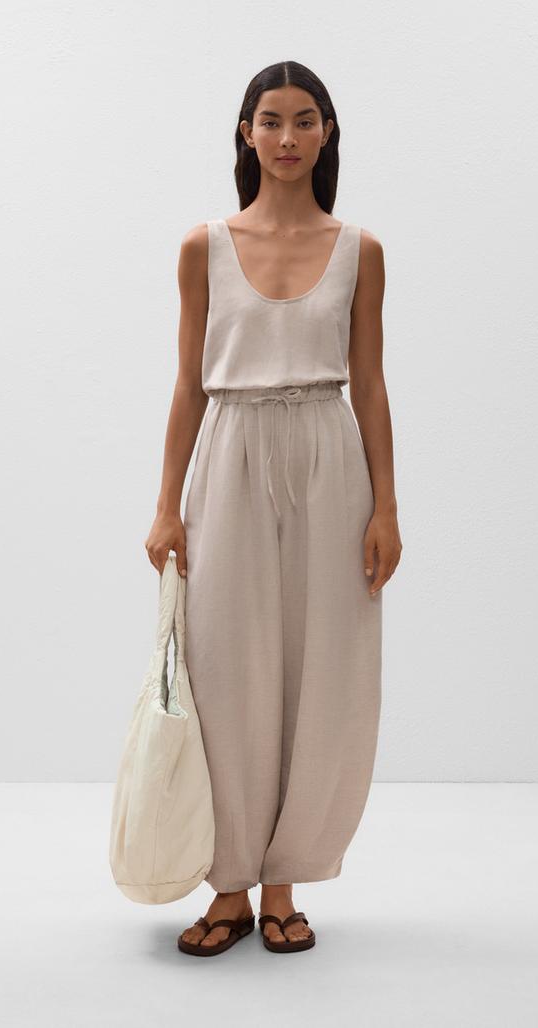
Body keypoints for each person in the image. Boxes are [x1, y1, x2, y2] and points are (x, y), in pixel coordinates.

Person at [145, 60, 402, 955]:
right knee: (225, 667)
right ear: (246, 133)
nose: (287, 138)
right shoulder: (204, 247)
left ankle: (285, 880)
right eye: (271, 121)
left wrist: (386, 509)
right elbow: (188, 384)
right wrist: (167, 505)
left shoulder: (360, 249)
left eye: (304, 121)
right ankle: (228, 884)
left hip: (330, 457)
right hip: (230, 455)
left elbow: (370, 385)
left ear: (326, 134)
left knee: (323, 667)